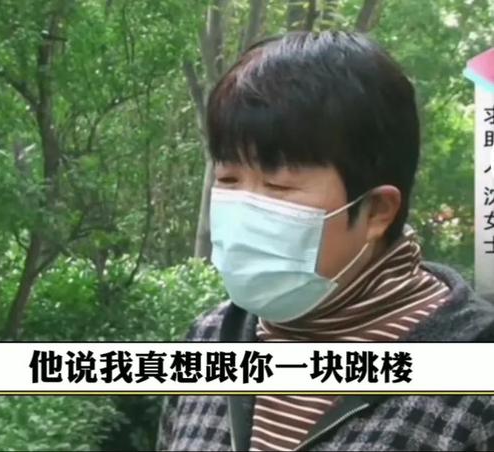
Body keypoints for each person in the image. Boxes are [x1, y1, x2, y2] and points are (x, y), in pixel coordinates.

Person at [156, 30, 494, 451]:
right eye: (228, 179)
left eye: (278, 186)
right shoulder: (209, 340)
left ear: (376, 211)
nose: (244, 208)